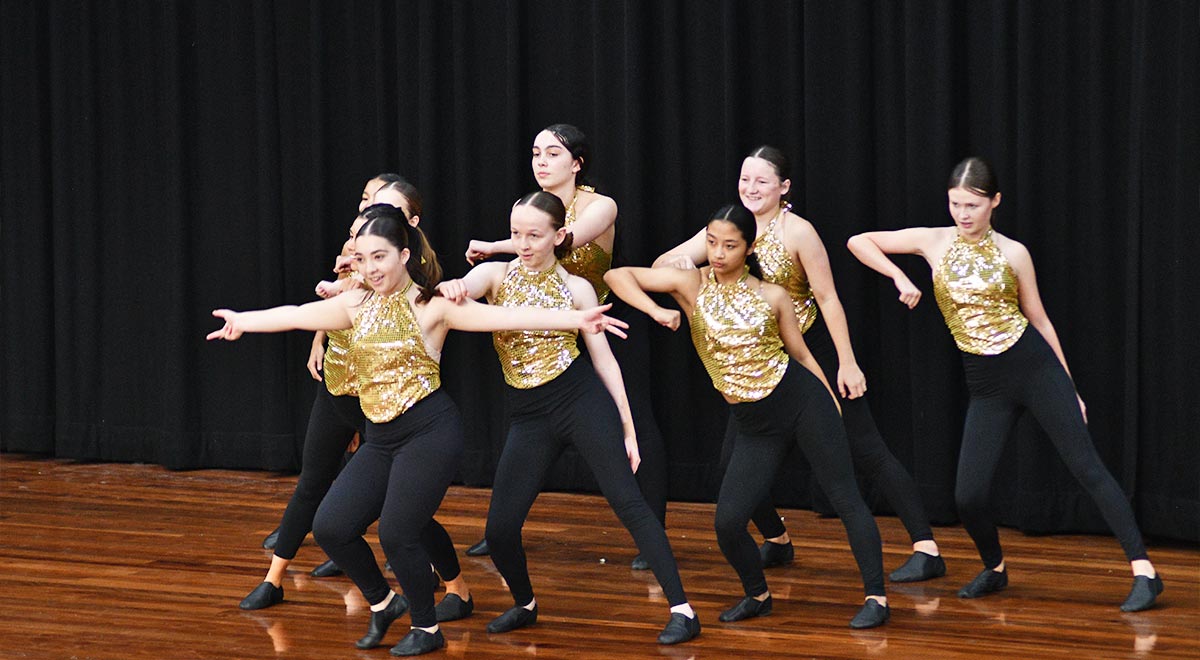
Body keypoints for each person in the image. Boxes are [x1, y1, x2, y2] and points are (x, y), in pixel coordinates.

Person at [208, 204, 629, 655]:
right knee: (331, 526)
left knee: (397, 531)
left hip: (430, 432)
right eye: (362, 258)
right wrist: (243, 322)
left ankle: (427, 628)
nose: (370, 268)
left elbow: (503, 318)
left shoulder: (431, 305)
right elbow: (294, 313)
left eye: (380, 257)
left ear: (404, 256)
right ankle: (384, 603)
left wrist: (573, 319)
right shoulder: (355, 304)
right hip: (382, 436)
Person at [845, 156, 1162, 612]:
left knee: (1087, 468)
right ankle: (994, 567)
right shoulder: (933, 242)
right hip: (986, 384)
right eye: (955, 203)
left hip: (1033, 368)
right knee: (967, 494)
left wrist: (1070, 387)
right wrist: (899, 275)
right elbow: (860, 241)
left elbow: (1039, 320)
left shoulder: (1014, 253)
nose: (963, 214)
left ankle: (1144, 573)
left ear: (995, 202)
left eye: (973, 204)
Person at [655, 146, 943, 582]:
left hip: (811, 353)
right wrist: (677, 262)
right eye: (745, 179)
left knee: (865, 449)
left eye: (762, 182)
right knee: (730, 463)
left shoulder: (799, 232)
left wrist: (846, 363)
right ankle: (777, 540)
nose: (750, 188)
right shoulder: (730, 229)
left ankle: (926, 546)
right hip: (759, 364)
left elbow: (827, 298)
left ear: (783, 188)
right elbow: (663, 264)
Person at [605, 203, 890, 629]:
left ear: (749, 247)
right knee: (728, 523)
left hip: (800, 402)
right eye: (712, 243)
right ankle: (758, 595)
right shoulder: (689, 283)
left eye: (730, 245)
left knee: (845, 497)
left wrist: (830, 398)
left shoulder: (773, 295)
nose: (718, 253)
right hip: (753, 424)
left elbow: (799, 353)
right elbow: (615, 275)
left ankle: (877, 597)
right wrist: (657, 310)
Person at [438, 191, 701, 644]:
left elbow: (605, 362)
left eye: (534, 235)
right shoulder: (494, 274)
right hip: (528, 414)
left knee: (630, 503)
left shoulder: (577, 288)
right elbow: (464, 290)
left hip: (578, 400)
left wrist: (627, 425)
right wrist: (452, 287)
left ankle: (683, 610)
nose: (523, 243)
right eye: (516, 233)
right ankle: (525, 604)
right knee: (499, 531)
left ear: (559, 236)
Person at [462, 124, 669, 569]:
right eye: (536, 152)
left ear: (576, 163)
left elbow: (569, 238)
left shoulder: (600, 205)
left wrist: (496, 246)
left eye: (552, 153)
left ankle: (653, 532)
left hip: (601, 321)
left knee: (635, 420)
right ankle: (501, 528)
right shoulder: (532, 210)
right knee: (525, 424)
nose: (541, 161)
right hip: (548, 332)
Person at [243, 174, 422, 610]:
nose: (371, 211)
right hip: (337, 385)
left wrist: (346, 284)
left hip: (377, 396)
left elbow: (367, 299)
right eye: (368, 201)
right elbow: (329, 306)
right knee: (312, 481)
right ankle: (274, 579)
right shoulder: (355, 250)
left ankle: (440, 576)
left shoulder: (410, 272)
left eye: (387, 207)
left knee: (398, 494)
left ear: (409, 226)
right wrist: (318, 337)